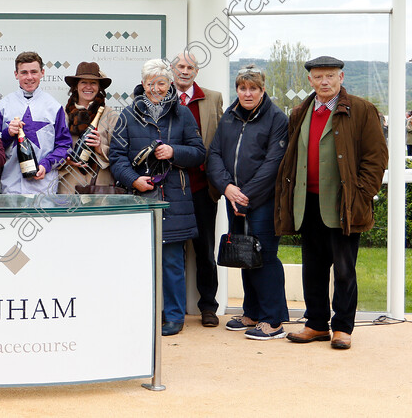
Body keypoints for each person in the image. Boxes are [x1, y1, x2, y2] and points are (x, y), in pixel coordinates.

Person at [277, 56, 387, 350]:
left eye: (329, 76)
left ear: (341, 77)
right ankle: (315, 324)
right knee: (312, 268)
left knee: (343, 269)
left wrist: (361, 194)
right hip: (307, 202)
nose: (324, 82)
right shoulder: (301, 111)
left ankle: (342, 327)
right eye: (318, 77)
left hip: (344, 205)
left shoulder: (361, 110)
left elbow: (376, 158)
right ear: (310, 80)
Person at [109, 59, 206, 336]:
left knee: (173, 262)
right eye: (150, 83)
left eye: (161, 83)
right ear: (142, 84)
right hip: (140, 199)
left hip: (174, 199)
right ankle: (144, 315)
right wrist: (133, 180)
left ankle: (174, 317)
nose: (156, 88)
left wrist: (174, 152)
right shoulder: (126, 116)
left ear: (170, 84)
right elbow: (116, 158)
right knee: (139, 262)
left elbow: (199, 153)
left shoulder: (184, 114)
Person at [207, 65, 290, 340]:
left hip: (263, 202)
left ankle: (273, 320)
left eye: (253, 88)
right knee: (246, 254)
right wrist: (228, 188)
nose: (247, 93)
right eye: (242, 88)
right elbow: (215, 154)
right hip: (235, 200)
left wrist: (246, 195)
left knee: (264, 257)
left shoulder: (276, 118)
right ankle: (252, 313)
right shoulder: (230, 116)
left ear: (262, 90)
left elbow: (273, 164)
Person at [171, 52, 224, 327]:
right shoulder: (161, 96)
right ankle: (173, 311)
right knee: (173, 251)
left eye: (189, 67)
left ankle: (208, 307)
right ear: (172, 69)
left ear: (196, 71)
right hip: (171, 189)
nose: (184, 71)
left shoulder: (212, 98)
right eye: (180, 66)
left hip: (203, 188)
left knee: (205, 250)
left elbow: (220, 142)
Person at [0, 51, 72, 195]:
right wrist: (7, 134)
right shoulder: (2, 106)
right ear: (16, 74)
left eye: (34, 72)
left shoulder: (54, 107)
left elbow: (64, 146)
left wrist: (46, 165)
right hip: (11, 187)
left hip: (44, 188)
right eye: (24, 72)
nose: (29, 77)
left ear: (42, 72)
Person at [57, 62, 119, 194]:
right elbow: (53, 148)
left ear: (99, 87)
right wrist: (66, 160)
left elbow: (119, 153)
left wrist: (100, 148)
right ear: (76, 86)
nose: (88, 87)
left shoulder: (110, 115)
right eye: (84, 82)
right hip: (69, 184)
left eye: (93, 83)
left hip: (100, 185)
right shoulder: (62, 113)